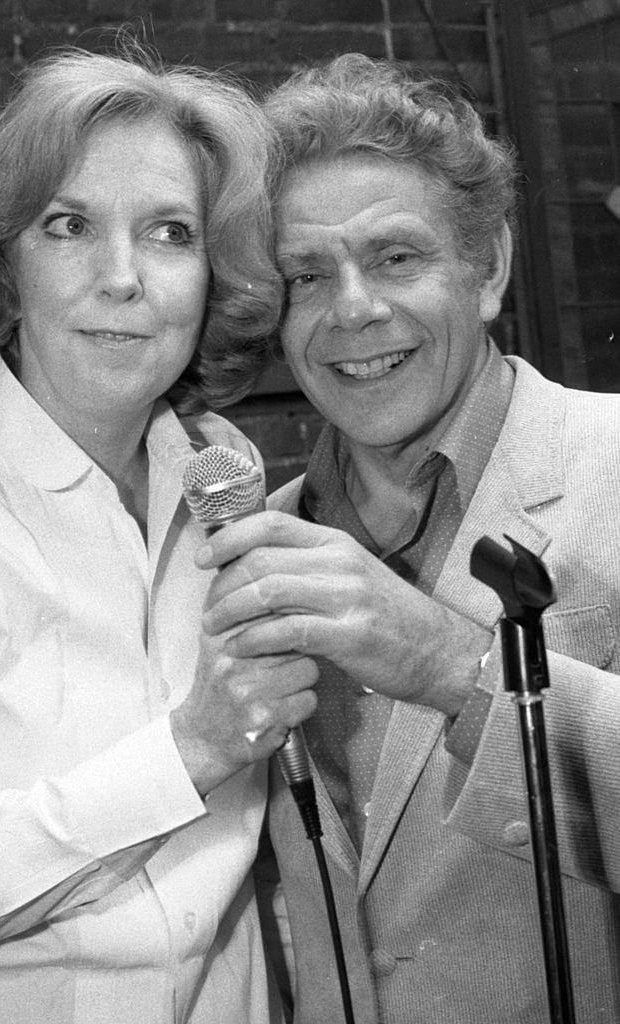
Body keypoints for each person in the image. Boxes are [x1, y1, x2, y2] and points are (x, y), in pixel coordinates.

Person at [195, 53, 620, 1023]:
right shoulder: (257, 546)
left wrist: (453, 664)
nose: (353, 309)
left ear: (491, 268)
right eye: (308, 274)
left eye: (395, 257)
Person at [0, 44, 319, 1024]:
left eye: (170, 232)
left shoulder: (224, 477)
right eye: (69, 225)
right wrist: (195, 747)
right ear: (5, 256)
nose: (122, 277)